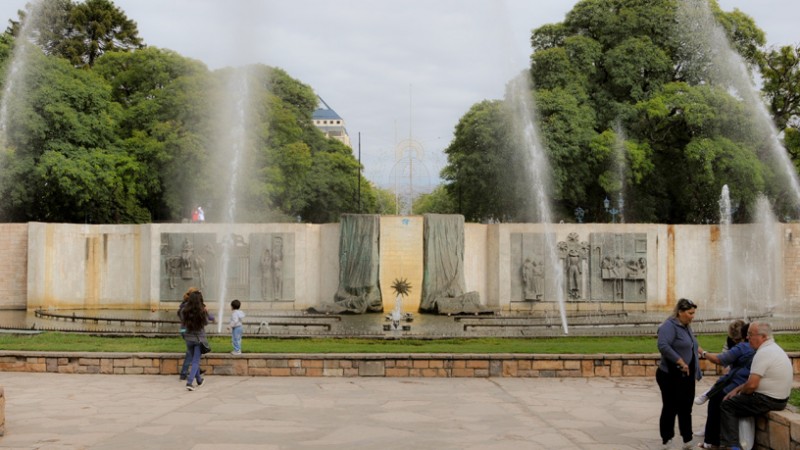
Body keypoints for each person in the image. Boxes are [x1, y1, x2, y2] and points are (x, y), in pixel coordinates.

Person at [720, 321, 793, 450]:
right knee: (735, 400)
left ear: (763, 336)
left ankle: (733, 446)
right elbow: (752, 382)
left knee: (727, 405)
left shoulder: (763, 353)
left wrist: (739, 393)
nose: (747, 337)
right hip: (780, 399)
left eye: (750, 334)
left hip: (768, 400)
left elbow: (752, 386)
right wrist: (737, 389)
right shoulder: (773, 348)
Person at [695, 320, 754, 449]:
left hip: (741, 382)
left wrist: (701, 351)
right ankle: (707, 396)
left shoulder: (743, 347)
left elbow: (720, 360)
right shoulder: (757, 346)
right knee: (721, 386)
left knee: (716, 400)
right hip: (744, 380)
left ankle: (712, 441)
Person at [656, 298, 702, 449]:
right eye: (690, 313)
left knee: (686, 407)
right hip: (670, 374)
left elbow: (691, 344)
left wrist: (701, 352)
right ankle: (667, 438)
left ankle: (687, 439)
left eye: (693, 313)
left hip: (686, 375)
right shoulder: (669, 326)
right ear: (680, 312)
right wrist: (679, 360)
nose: (692, 316)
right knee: (670, 406)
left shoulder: (686, 326)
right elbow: (663, 345)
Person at [180, 290, 212, 391]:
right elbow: (206, 323)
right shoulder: (202, 311)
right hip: (199, 339)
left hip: (188, 339)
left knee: (194, 360)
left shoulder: (184, 311)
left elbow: (183, 323)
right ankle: (189, 382)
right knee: (195, 361)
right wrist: (206, 312)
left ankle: (199, 380)